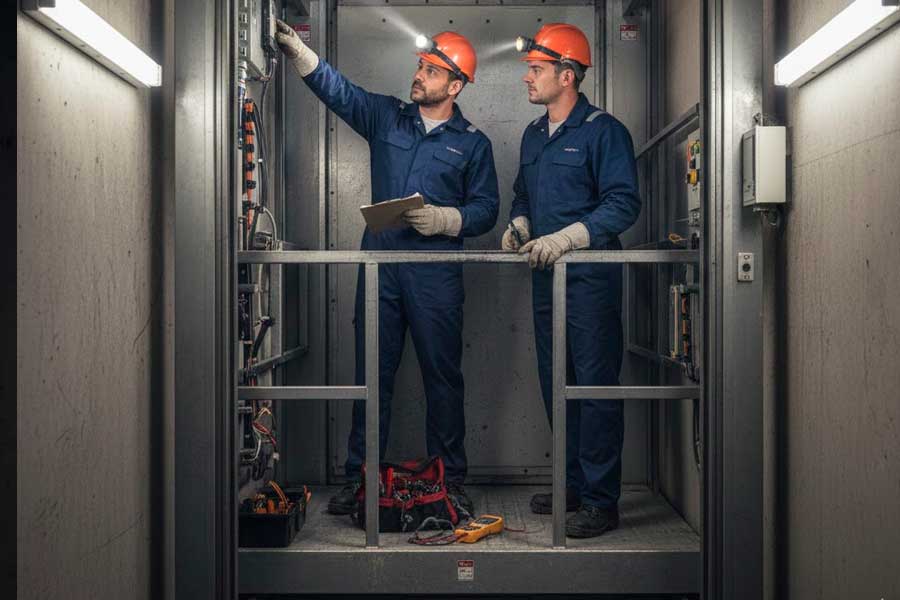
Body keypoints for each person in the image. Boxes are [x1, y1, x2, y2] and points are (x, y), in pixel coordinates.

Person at [275, 21, 499, 517]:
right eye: (421, 65)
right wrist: (298, 51)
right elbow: (340, 92)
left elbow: (487, 209)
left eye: (432, 70)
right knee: (371, 376)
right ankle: (362, 478)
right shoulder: (388, 117)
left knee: (443, 379)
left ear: (455, 86)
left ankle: (450, 479)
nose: (419, 75)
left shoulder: (474, 144)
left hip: (436, 275)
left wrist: (447, 219)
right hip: (381, 273)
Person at [501, 23, 640, 538]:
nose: (527, 79)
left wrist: (569, 237)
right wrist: (520, 224)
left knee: (595, 390)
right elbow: (522, 195)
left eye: (535, 70)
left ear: (567, 74)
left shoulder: (605, 131)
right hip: (546, 282)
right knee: (555, 384)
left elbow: (624, 203)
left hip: (590, 281)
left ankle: (603, 502)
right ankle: (575, 486)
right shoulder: (535, 134)